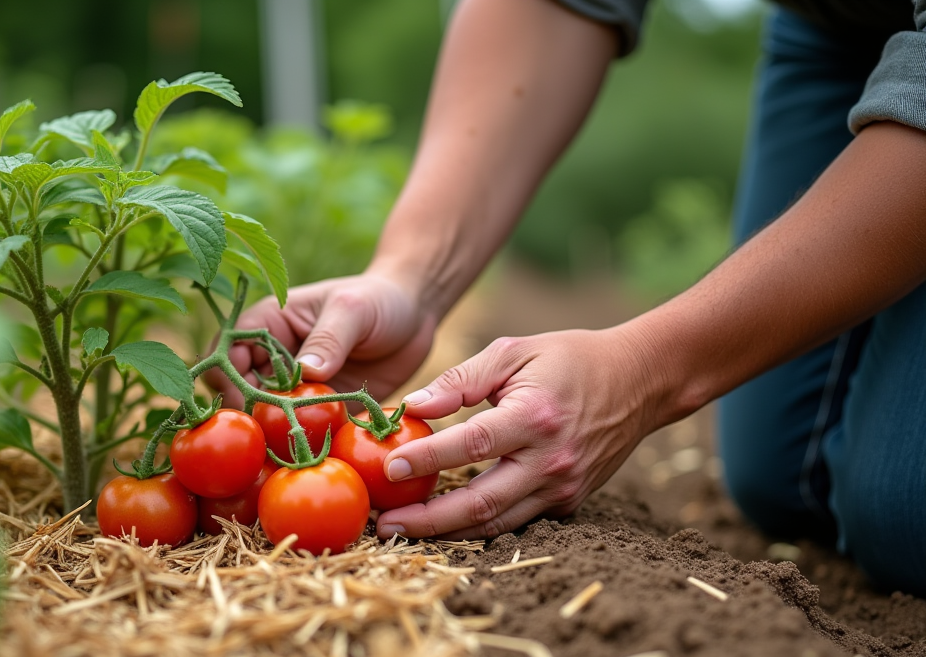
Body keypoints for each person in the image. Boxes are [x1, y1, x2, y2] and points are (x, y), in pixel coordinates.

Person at [218, 0, 926, 593]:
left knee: (900, 511)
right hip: (835, 22)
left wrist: (645, 369)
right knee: (782, 482)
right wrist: (410, 277)